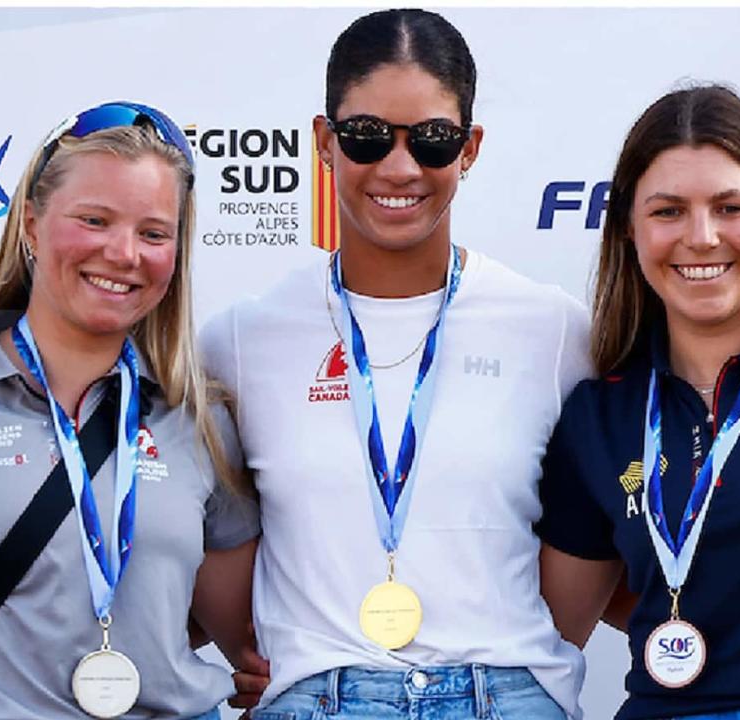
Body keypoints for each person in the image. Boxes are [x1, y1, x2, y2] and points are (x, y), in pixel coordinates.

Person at [200, 8, 593, 720]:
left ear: (469, 148)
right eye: (367, 136)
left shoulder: (555, 330)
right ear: (324, 142)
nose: (400, 167)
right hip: (317, 695)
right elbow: (207, 533)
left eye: (434, 141)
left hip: (504, 693)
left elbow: (603, 529)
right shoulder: (238, 339)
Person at [0, 101, 259, 719]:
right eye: (94, 220)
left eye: (153, 233)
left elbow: (249, 643)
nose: (124, 253)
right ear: (32, 225)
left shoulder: (200, 418)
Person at [536, 84, 740, 720]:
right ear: (628, 228)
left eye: (729, 207)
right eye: (667, 211)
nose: (702, 237)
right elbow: (547, 632)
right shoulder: (599, 417)